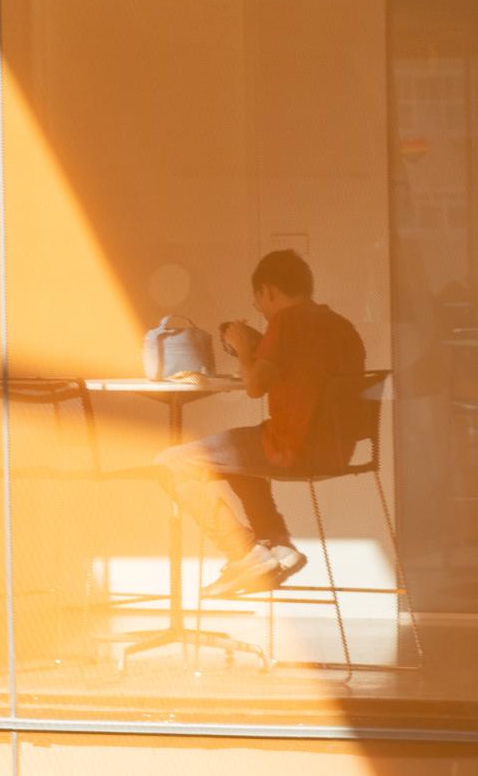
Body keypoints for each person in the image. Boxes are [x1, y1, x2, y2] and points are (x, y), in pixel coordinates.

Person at [156, 250, 367, 597]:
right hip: (337, 450)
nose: (262, 311)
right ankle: (278, 548)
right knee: (237, 455)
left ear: (267, 291)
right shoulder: (341, 326)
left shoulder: (287, 322)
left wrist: (241, 346)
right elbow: (301, 368)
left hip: (292, 446)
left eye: (259, 302)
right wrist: (259, 345)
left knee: (169, 463)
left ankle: (244, 553)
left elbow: (254, 386)